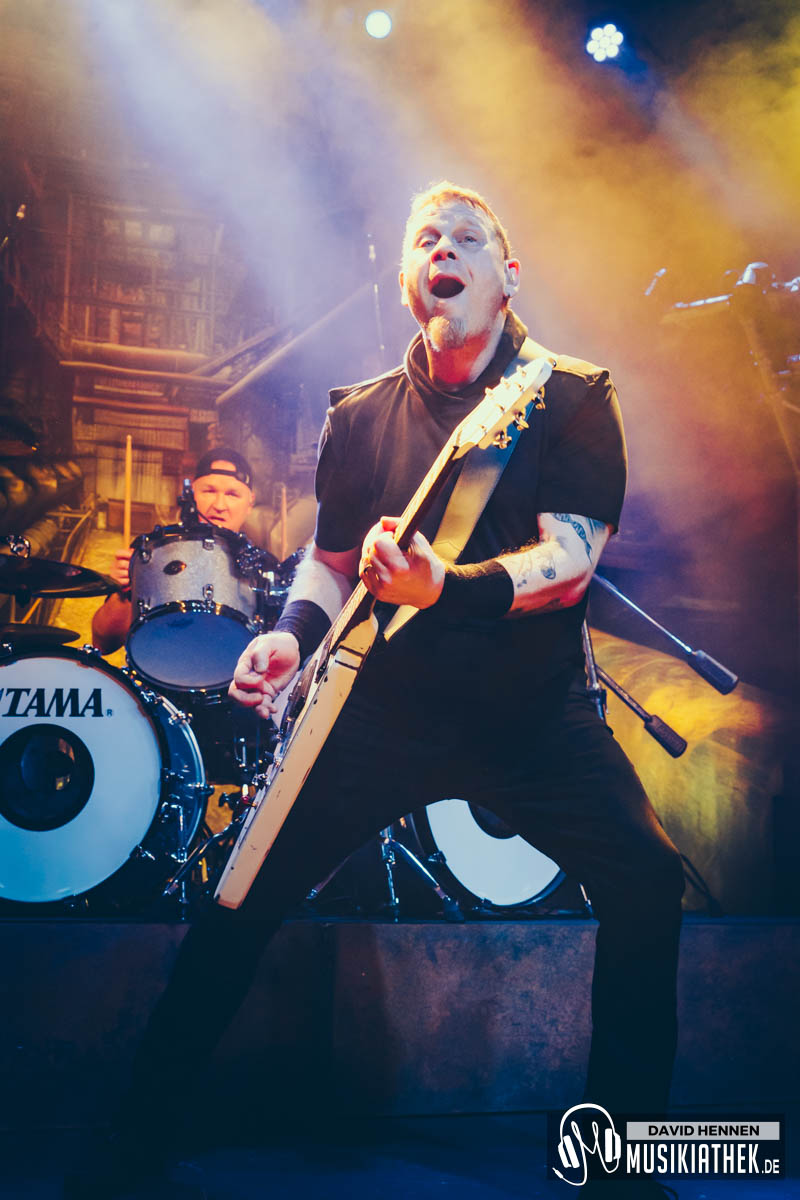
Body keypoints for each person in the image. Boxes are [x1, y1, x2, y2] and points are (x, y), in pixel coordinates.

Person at [65, 183, 684, 1200]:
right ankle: (134, 1147)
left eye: (468, 237)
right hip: (379, 710)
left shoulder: (569, 395)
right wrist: (288, 636)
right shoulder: (357, 416)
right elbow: (330, 560)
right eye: (425, 238)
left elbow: (570, 562)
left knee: (647, 881)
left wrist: (450, 587)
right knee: (238, 896)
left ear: (506, 275)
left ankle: (622, 1163)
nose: (444, 247)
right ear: (406, 280)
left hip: (532, 715)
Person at [90, 447, 256, 655]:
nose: (219, 505)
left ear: (250, 503)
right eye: (209, 491)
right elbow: (102, 643)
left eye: (232, 494)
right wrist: (122, 593)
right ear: (190, 494)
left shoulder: (262, 570)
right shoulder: (152, 552)